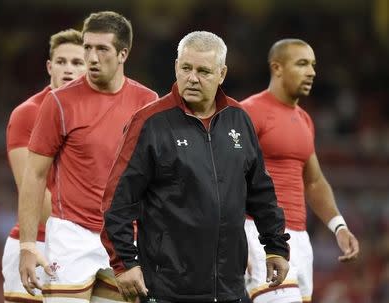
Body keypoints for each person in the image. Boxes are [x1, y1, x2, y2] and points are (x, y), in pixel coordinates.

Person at [100, 31, 291, 303]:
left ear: (222, 74)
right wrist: (124, 264)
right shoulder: (149, 123)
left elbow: (261, 193)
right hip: (166, 290)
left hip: (229, 289)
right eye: (186, 68)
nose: (192, 78)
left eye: (203, 71)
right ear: (176, 66)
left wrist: (275, 247)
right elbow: (117, 201)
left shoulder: (239, 120)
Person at [17, 11, 158, 303]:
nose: (92, 57)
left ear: (123, 53)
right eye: (88, 47)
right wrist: (28, 245)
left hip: (124, 237)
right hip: (71, 235)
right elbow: (34, 174)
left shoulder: (148, 103)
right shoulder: (59, 102)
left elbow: (157, 177)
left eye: (102, 49)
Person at [241, 38, 360, 303]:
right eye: (302, 63)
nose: (312, 72)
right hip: (261, 233)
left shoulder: (304, 119)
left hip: (300, 237)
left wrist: (339, 227)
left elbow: (314, 182)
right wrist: (235, 237)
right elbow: (227, 176)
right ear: (277, 67)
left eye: (313, 65)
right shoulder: (250, 112)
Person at [3, 28, 86, 303]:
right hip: (38, 242)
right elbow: (31, 188)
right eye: (61, 62)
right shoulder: (28, 113)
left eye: (77, 63)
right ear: (50, 66)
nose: (68, 69)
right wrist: (81, 233)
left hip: (81, 244)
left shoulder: (94, 114)